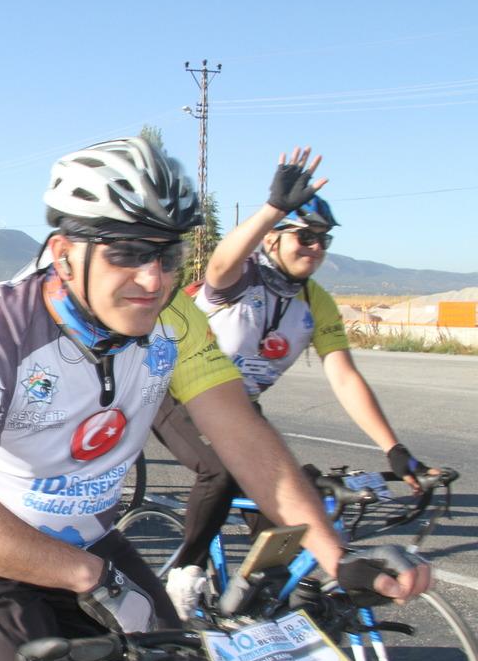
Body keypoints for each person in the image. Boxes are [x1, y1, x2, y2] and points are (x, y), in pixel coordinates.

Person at [0, 137, 431, 661]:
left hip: (86, 539)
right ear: (65, 253)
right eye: (126, 252)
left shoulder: (173, 318)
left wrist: (335, 557)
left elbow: (243, 436)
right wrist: (94, 579)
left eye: (168, 253)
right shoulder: (2, 325)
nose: (153, 278)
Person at [154, 147, 441, 618]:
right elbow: (220, 264)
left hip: (238, 404)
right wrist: (273, 209)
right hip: (174, 393)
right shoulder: (242, 278)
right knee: (222, 470)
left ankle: (256, 607)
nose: (316, 248)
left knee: (291, 503)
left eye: (324, 240)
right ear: (273, 239)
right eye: (304, 236)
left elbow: (344, 376)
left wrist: (394, 448)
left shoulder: (315, 301)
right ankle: (186, 572)